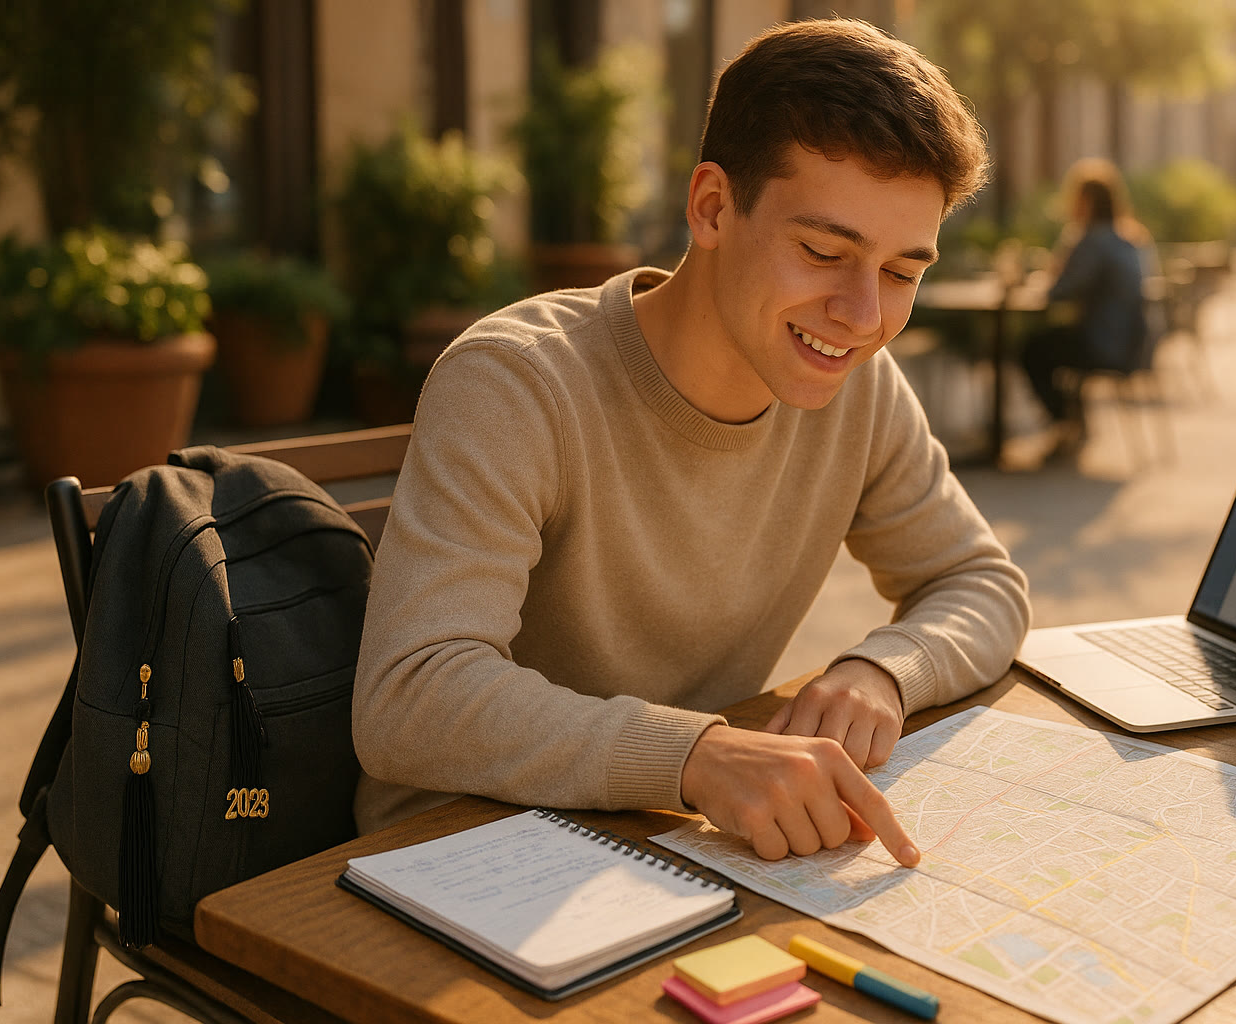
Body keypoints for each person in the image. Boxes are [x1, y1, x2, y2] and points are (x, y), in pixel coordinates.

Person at [350, 19, 1030, 868]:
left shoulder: (858, 389)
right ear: (712, 207)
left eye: (901, 273)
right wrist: (698, 757)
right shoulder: (516, 382)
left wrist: (884, 671)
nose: (862, 317)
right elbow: (410, 699)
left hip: (673, 842)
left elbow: (981, 584)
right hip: (465, 854)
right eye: (824, 251)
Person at [1021, 158, 1153, 454]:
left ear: (1087, 202)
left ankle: (1065, 422)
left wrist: (1060, 260)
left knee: (1032, 349)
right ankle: (1073, 424)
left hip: (1102, 344)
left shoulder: (1092, 242)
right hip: (1133, 344)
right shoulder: (1132, 238)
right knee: (1055, 345)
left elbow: (1058, 292)